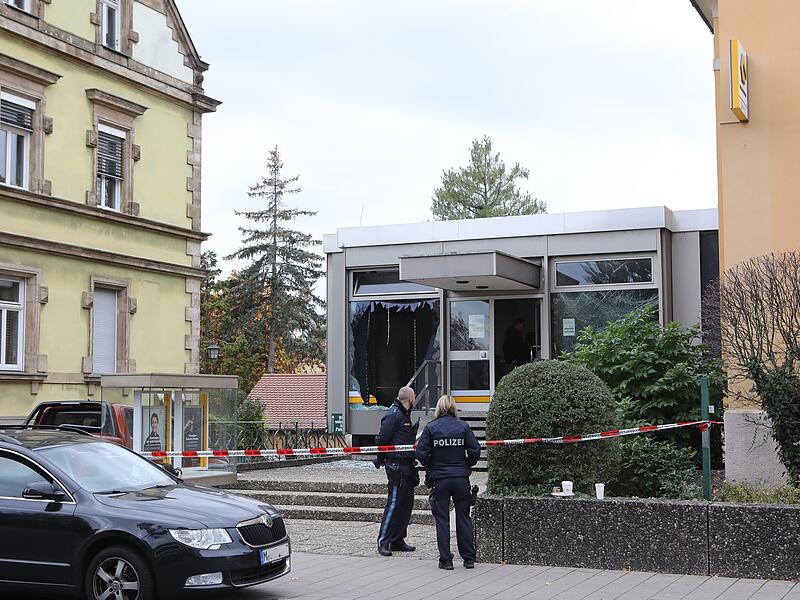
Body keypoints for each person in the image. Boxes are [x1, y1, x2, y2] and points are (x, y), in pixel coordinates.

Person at [415, 394, 481, 570]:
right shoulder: (463, 427)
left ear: (438, 408)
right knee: (464, 517)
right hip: (461, 479)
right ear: (453, 408)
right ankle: (468, 559)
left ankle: (446, 560)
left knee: (442, 519)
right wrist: (466, 464)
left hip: (440, 479)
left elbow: (421, 453)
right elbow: (475, 451)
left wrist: (432, 465)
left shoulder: (431, 428)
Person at [375, 386, 419, 557]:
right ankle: (383, 541)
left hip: (406, 465)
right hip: (396, 466)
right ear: (410, 399)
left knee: (405, 504)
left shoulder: (403, 414)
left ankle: (397, 539)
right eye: (414, 396)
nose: (415, 399)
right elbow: (382, 440)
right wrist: (380, 460)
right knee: (393, 504)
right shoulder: (394, 415)